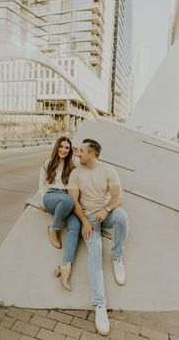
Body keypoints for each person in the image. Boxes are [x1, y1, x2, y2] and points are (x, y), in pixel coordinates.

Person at [68, 138, 129, 336]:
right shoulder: (76, 173)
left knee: (121, 216)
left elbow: (118, 198)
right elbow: (74, 201)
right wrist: (85, 221)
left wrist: (106, 209)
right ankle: (99, 305)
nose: (78, 153)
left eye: (82, 151)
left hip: (105, 213)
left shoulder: (108, 170)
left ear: (92, 153)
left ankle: (117, 255)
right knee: (95, 253)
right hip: (89, 218)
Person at [39, 137, 81, 291]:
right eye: (61, 147)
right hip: (51, 197)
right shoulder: (48, 162)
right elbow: (41, 184)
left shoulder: (73, 163)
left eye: (67, 148)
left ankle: (66, 267)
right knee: (69, 200)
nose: (64, 150)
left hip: (66, 200)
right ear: (57, 147)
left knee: (75, 226)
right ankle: (54, 229)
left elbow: (86, 162)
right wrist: (42, 201)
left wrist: (77, 153)